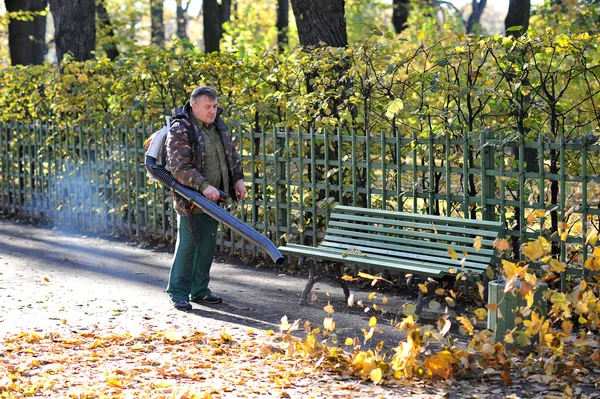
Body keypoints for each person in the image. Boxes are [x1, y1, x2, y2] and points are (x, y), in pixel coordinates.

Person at [165, 86, 247, 311]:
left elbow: (231, 155)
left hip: (215, 200)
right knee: (189, 245)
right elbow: (178, 167)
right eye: (207, 107)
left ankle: (199, 290)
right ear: (194, 106)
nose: (212, 111)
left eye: (215, 106)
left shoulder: (218, 125)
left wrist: (238, 180)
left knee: (207, 245)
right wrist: (203, 186)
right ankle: (178, 292)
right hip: (191, 199)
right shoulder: (181, 128)